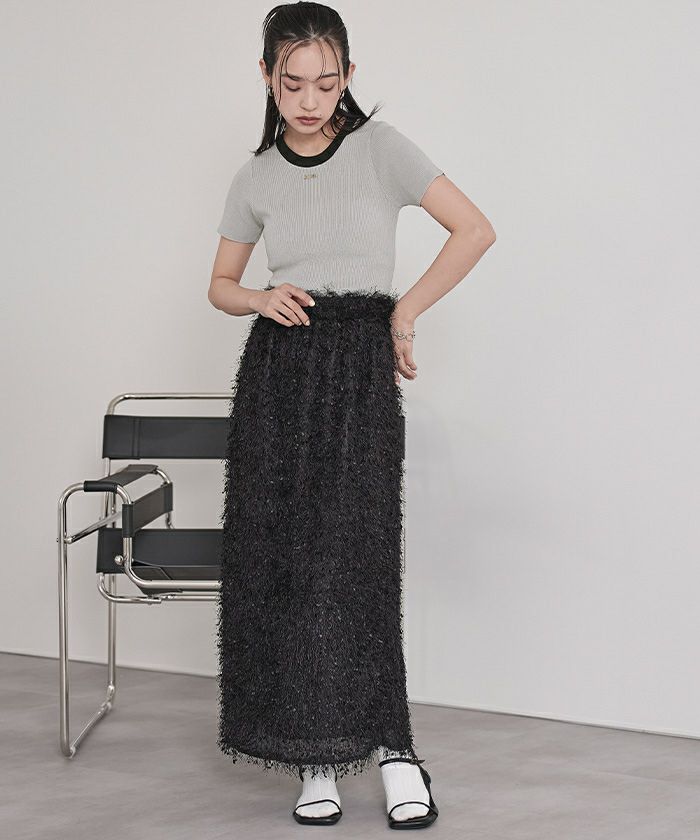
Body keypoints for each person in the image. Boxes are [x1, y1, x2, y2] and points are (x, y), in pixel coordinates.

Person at [208, 1, 496, 829]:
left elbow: (474, 230)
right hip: (279, 374)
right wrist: (259, 296)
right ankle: (316, 757)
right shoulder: (255, 176)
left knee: (361, 560)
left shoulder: (382, 149)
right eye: (292, 83)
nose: (309, 100)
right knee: (289, 564)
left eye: (326, 83)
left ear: (349, 77)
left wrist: (403, 313)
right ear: (267, 77)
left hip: (358, 370)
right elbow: (219, 285)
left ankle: (397, 750)